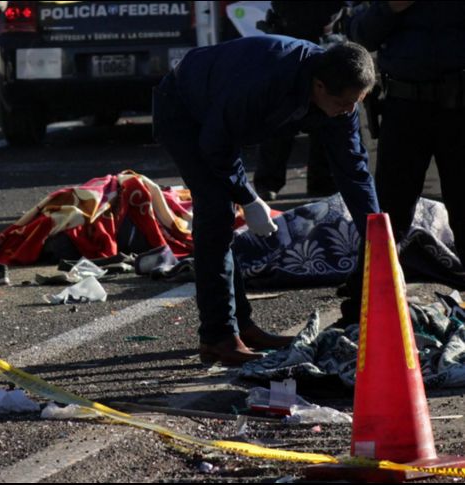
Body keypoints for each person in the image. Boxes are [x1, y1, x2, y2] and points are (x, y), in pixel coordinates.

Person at [152, 36, 378, 366]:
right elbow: (216, 144)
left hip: (221, 116)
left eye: (356, 104)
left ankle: (241, 325)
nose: (348, 112)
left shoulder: (339, 98)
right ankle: (218, 337)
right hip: (184, 108)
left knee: (222, 214)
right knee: (216, 213)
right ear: (318, 86)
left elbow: (353, 171)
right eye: (345, 104)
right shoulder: (266, 81)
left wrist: (376, 232)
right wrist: (248, 198)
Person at [348, 1, 465, 270]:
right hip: (405, 107)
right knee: (389, 213)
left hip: (460, 108)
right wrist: (390, 8)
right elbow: (360, 34)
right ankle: (367, 300)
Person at [253, 1, 348, 201]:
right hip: (289, 40)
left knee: (325, 116)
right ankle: (268, 183)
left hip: (325, 42)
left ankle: (322, 182)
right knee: (279, 119)